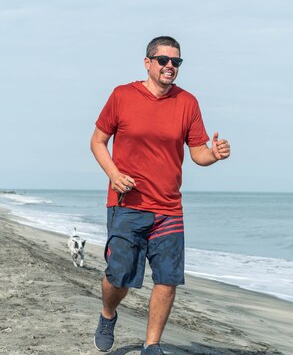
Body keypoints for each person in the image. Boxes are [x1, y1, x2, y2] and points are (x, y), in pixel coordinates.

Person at [90, 36, 231, 355]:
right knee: (119, 278)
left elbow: (198, 153)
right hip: (128, 205)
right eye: (164, 61)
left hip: (169, 208)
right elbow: (97, 142)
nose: (170, 66)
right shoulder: (122, 95)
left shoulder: (188, 103)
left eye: (176, 62)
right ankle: (108, 314)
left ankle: (151, 345)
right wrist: (113, 174)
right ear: (148, 63)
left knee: (167, 279)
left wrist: (215, 154)